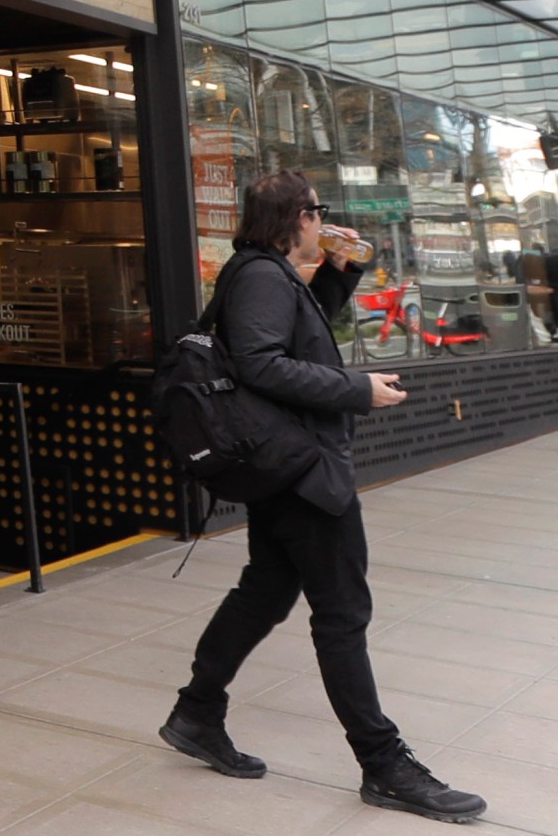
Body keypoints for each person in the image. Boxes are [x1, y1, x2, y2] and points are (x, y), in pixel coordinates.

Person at [159, 172, 486, 824]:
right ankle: (383, 764)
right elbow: (261, 364)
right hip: (303, 473)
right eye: (317, 213)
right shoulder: (259, 276)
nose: (322, 220)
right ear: (295, 216)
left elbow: (297, 338)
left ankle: (196, 712)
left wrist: (338, 273)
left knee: (264, 596)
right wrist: (357, 390)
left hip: (287, 469)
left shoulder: (269, 274)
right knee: (341, 617)